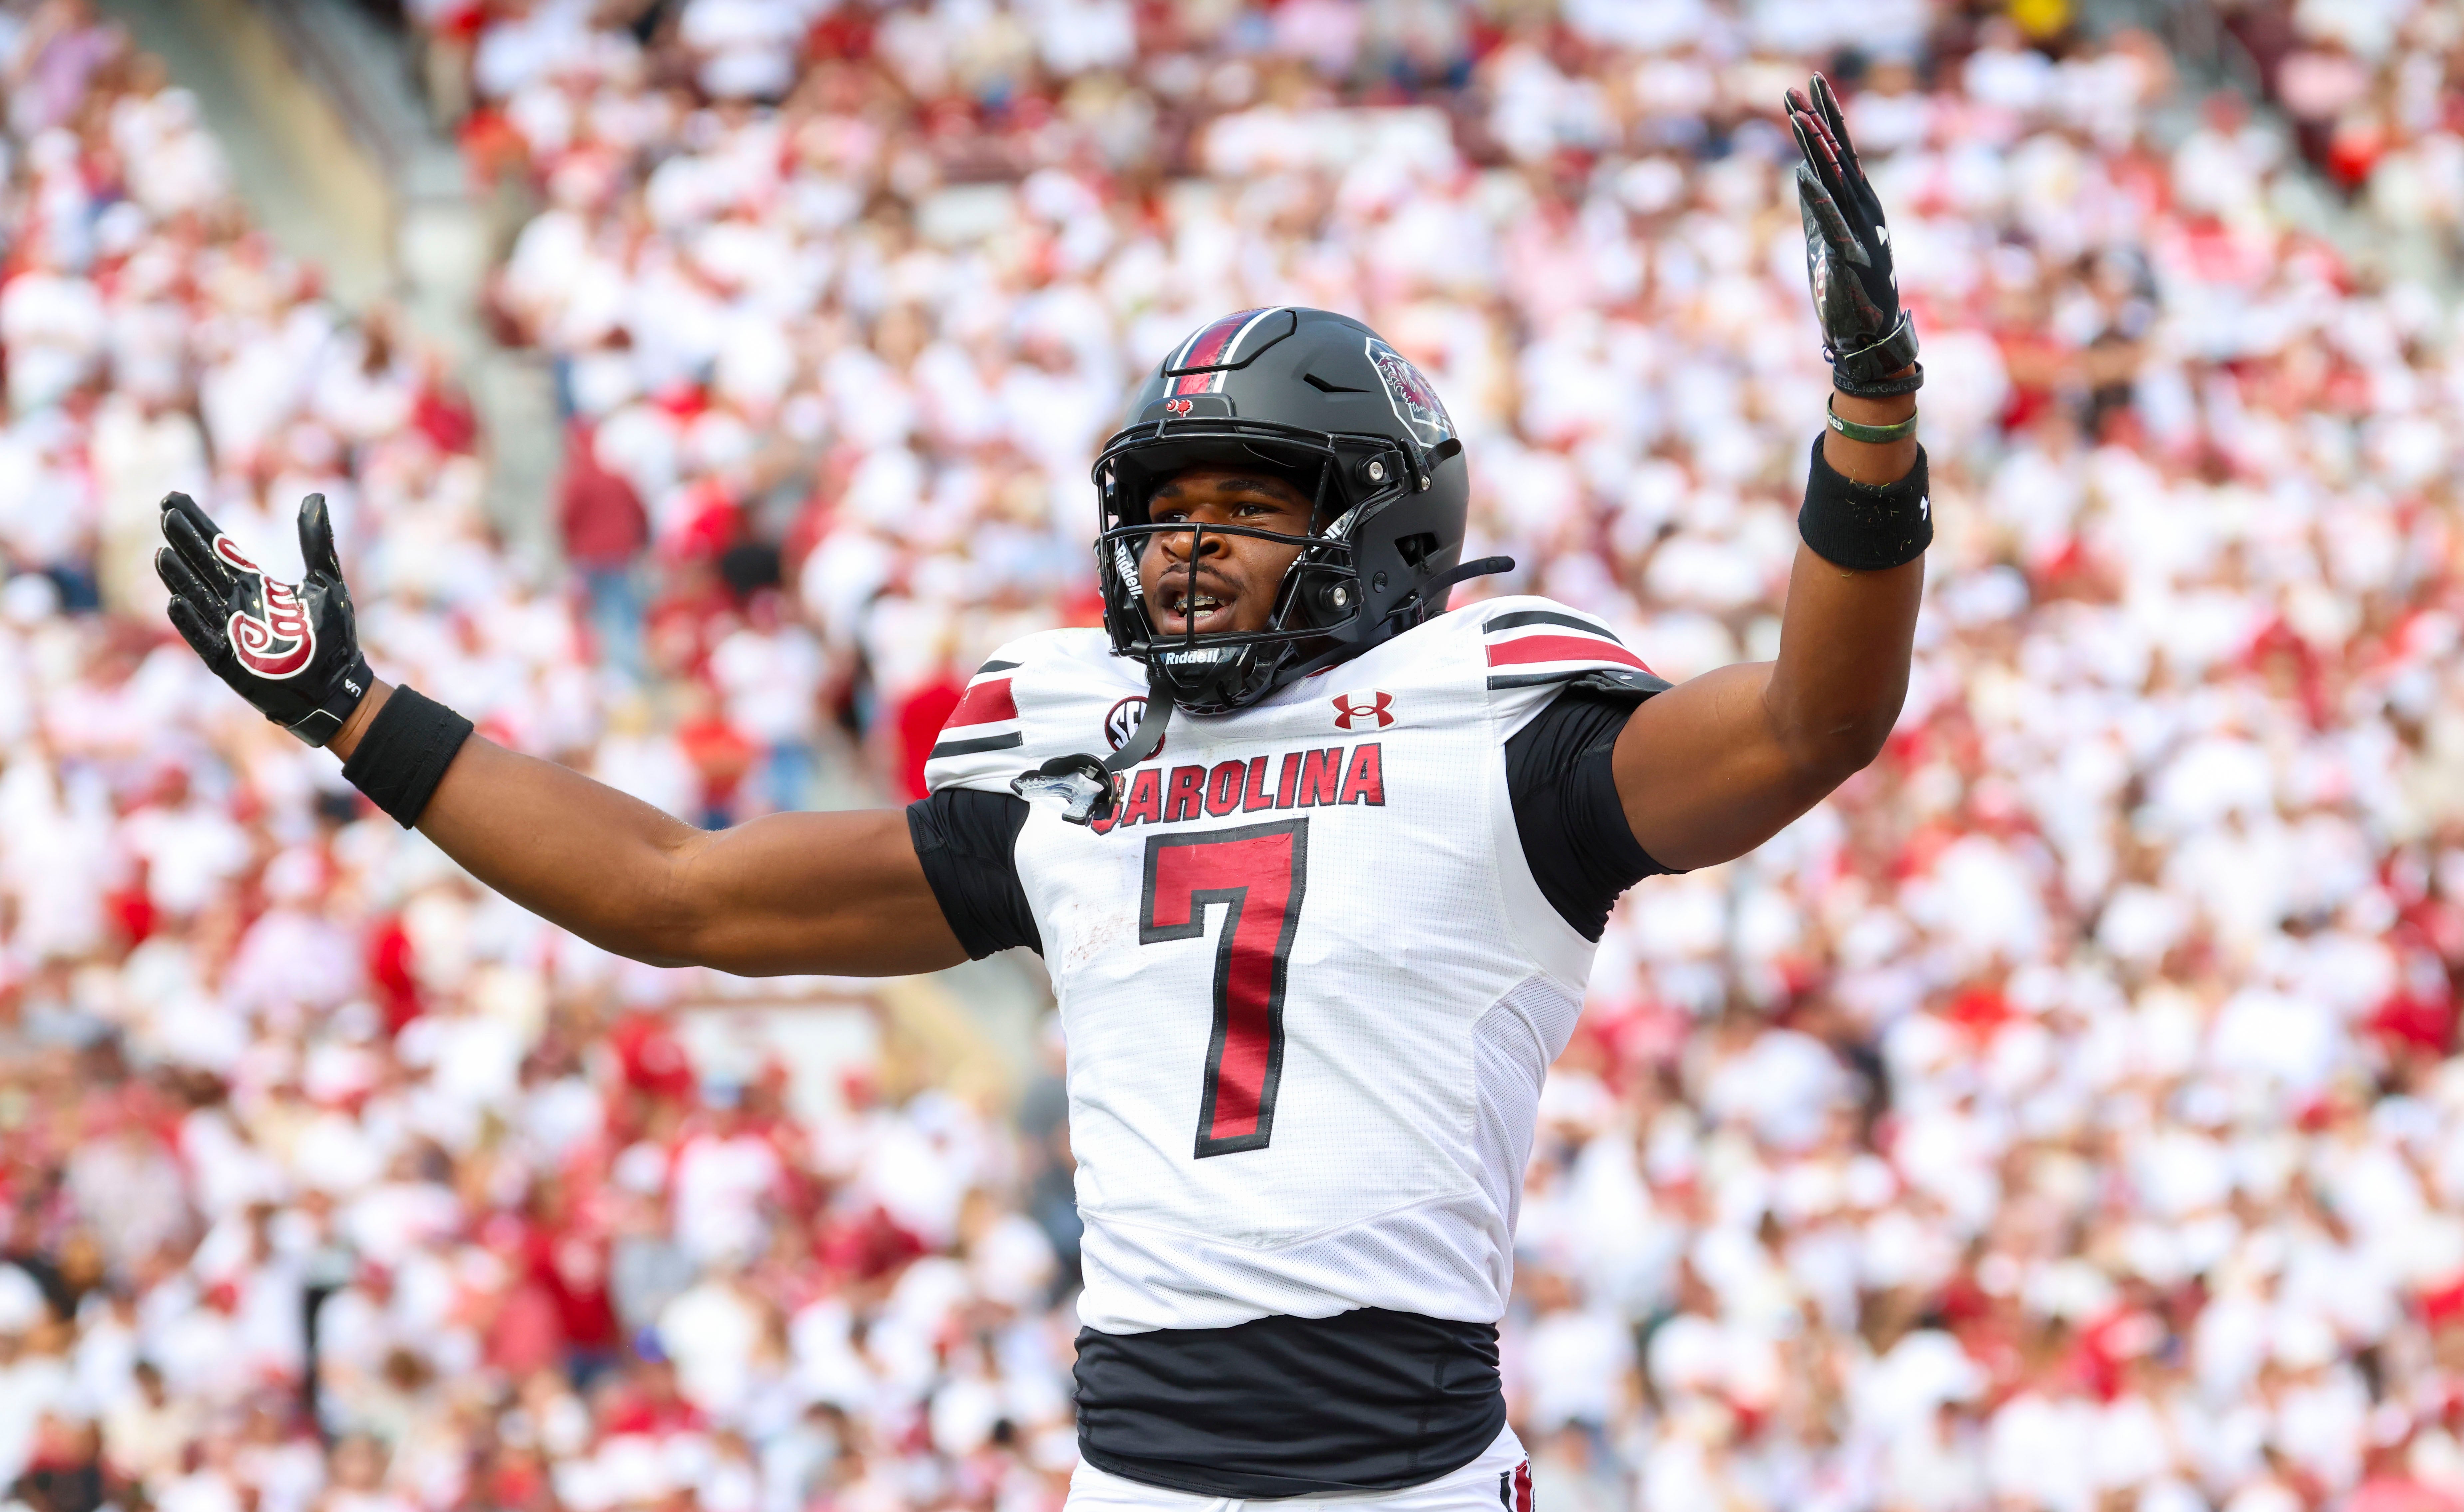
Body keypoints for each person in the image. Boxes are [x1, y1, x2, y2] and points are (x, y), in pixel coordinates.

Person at [156, 78, 1930, 1510]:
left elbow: (1810, 727)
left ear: (1384, 525)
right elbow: (677, 895)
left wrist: (1868, 416)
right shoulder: (1073, 755)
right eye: (1166, 511)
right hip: (1130, 1480)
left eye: (1246, 507)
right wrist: (359, 716)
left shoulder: (1501, 727)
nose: (1187, 547)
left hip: (1406, 1481)